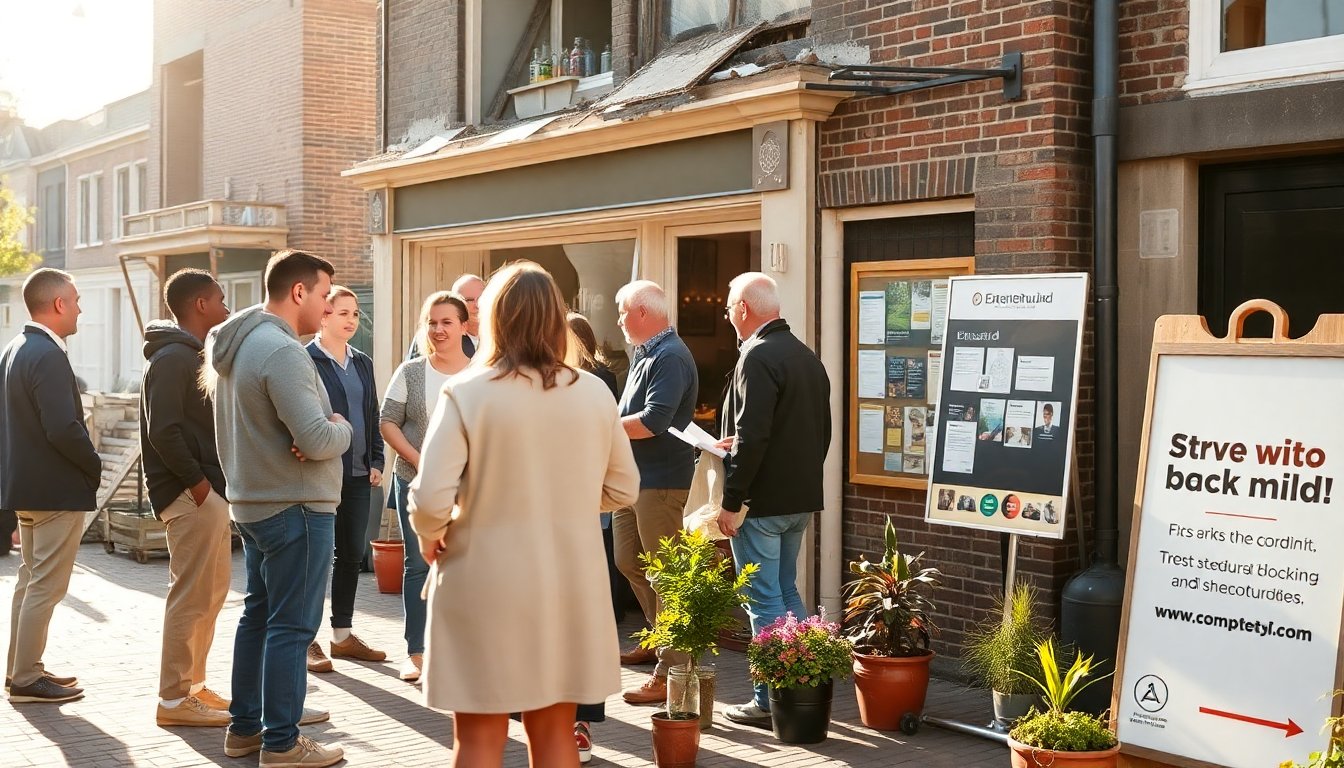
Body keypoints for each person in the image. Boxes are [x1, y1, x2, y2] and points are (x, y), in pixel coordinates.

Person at [408, 262, 639, 768]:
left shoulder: (467, 391)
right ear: (556, 319)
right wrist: (569, 501)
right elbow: (624, 487)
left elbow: (429, 499)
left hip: (482, 576)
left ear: (491, 320)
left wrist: (431, 534)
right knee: (556, 733)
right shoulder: (595, 392)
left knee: (478, 738)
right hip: (567, 581)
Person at [206, 250, 353, 767]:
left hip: (254, 504)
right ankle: (283, 744)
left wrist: (313, 432)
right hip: (296, 508)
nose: (328, 302)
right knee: (293, 627)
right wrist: (341, 424)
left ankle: (245, 731)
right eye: (323, 292)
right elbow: (315, 438)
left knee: (260, 617)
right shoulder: (283, 351)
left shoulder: (242, 344)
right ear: (298, 293)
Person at [714, 272, 830, 728]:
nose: (727, 315)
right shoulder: (805, 356)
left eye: (727, 307)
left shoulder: (756, 356)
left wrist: (732, 499)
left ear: (744, 308)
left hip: (759, 505)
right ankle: (800, 686)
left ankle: (767, 701)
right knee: (785, 592)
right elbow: (820, 431)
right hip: (799, 499)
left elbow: (756, 435)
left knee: (763, 600)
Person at [1, 268, 99, 704]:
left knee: (30, 580)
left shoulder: (15, 348)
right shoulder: (46, 353)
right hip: (54, 491)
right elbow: (62, 428)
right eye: (76, 300)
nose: (79, 307)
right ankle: (25, 678)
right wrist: (93, 463)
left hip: (26, 487)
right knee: (45, 585)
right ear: (58, 304)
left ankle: (22, 671)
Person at [141, 269, 233, 726]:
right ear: (201, 304)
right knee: (190, 596)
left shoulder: (191, 354)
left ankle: (194, 686)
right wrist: (200, 488)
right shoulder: (174, 359)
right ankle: (174, 701)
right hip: (190, 495)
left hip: (206, 494)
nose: (226, 306)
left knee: (211, 593)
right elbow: (164, 431)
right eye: (220, 298)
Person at [611, 280, 699, 706]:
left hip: (662, 482)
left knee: (667, 574)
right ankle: (658, 637)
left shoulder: (670, 356)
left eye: (623, 312)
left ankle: (672, 669)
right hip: (634, 480)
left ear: (643, 312)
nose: (619, 321)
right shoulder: (646, 353)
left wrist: (601, 425)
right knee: (627, 559)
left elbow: (653, 421)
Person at [380, 291, 472, 683]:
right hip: (413, 481)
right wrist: (421, 461)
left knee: (466, 568)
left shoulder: (480, 372)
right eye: (432, 322)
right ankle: (416, 653)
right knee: (418, 565)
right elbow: (388, 422)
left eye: (447, 322)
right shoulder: (411, 372)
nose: (438, 330)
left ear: (464, 326)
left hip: (469, 487)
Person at [305, 285, 387, 672]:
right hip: (319, 474)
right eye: (343, 313)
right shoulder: (307, 361)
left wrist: (376, 457)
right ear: (324, 316)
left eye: (355, 314)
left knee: (352, 554)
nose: (352, 320)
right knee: (315, 559)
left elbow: (370, 413)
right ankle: (306, 640)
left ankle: (341, 635)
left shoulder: (363, 362)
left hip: (357, 474)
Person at [566, 311, 620, 764]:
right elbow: (621, 483)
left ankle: (574, 724)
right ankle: (575, 726)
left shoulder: (488, 387)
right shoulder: (595, 388)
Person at [452, 274, 485, 357]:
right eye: (469, 300)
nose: (477, 305)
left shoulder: (505, 337)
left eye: (482, 298)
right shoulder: (439, 336)